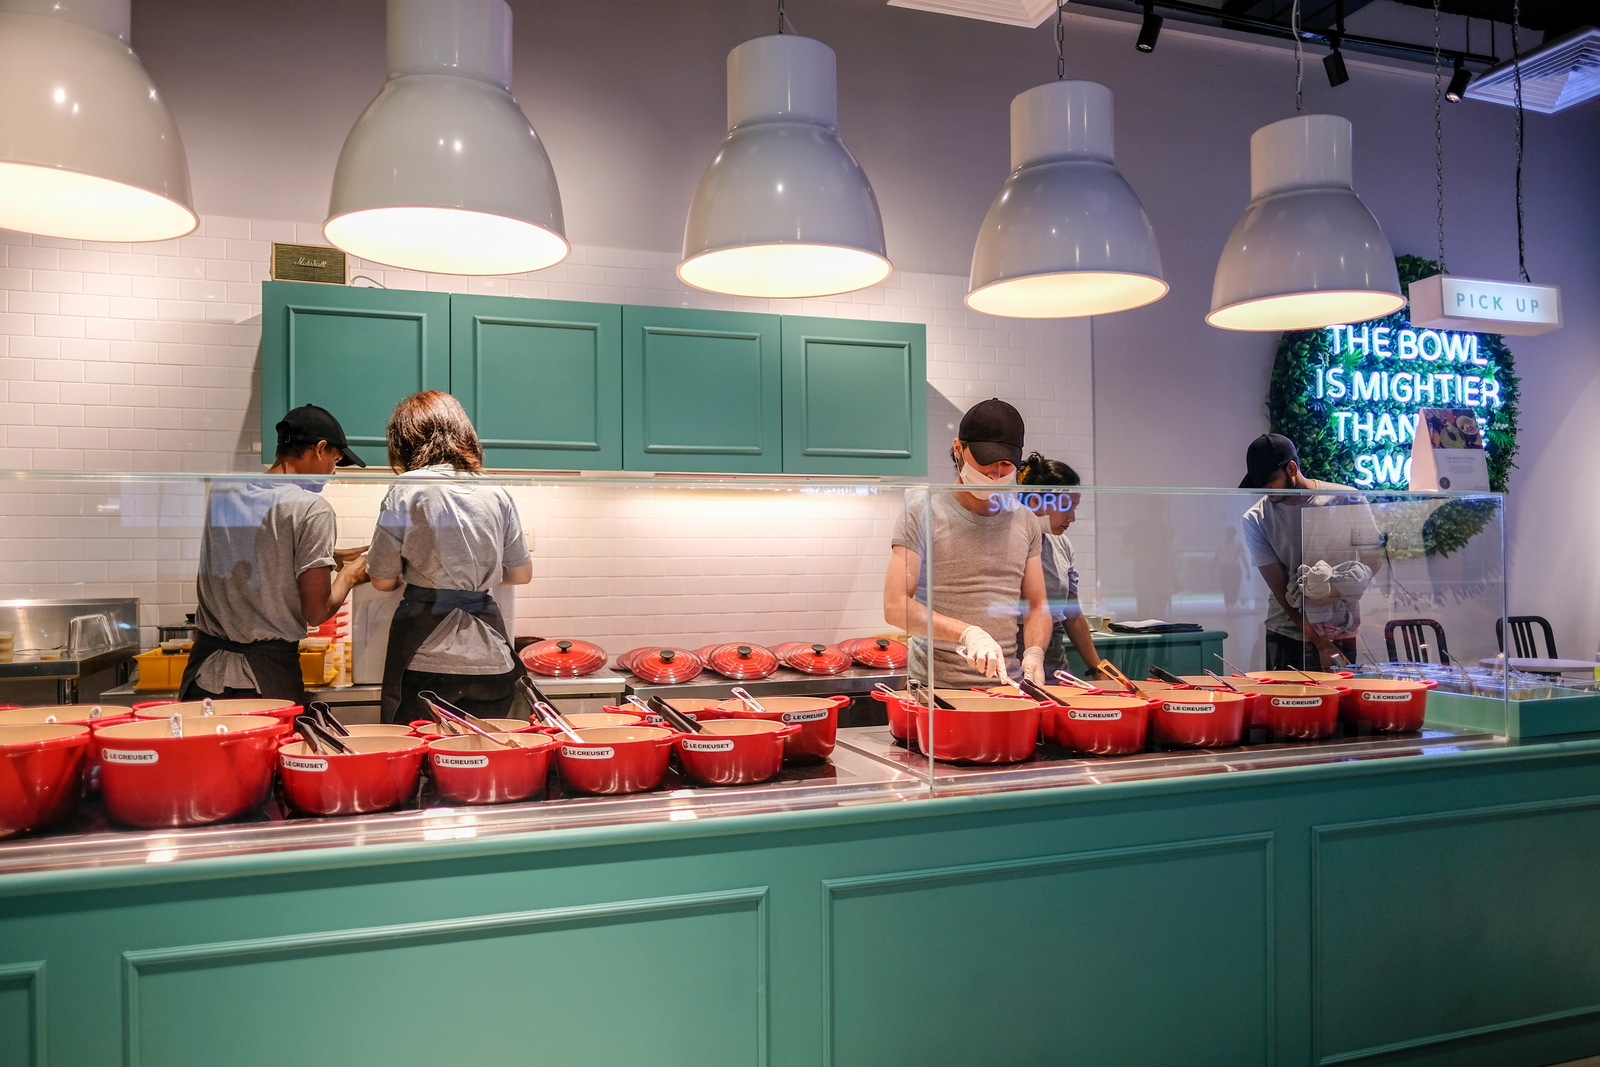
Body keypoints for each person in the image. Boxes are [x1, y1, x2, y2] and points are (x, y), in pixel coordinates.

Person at [179, 405, 369, 704]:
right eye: (335, 460)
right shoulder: (312, 508)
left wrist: (326, 557)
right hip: (265, 679)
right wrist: (349, 575)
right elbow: (316, 611)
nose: (333, 473)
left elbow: (251, 552)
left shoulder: (225, 490)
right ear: (320, 449)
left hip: (202, 676)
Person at [368, 391, 532, 724]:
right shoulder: (496, 492)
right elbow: (522, 574)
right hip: (493, 664)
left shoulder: (407, 487)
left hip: (428, 665)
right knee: (486, 754)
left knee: (426, 754)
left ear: (405, 440)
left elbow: (381, 580)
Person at [884, 398, 1051, 688]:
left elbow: (1037, 605)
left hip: (1006, 687)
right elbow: (895, 605)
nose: (995, 473)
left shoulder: (1025, 520)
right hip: (936, 691)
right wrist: (967, 632)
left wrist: (1035, 652)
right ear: (959, 449)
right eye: (985, 461)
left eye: (1005, 464)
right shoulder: (922, 513)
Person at [1239, 433, 1383, 671]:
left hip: (1340, 629)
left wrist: (1332, 591)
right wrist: (1320, 643)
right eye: (1259, 483)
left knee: (1339, 696)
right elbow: (1280, 589)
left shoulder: (1348, 500)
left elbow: (1372, 560)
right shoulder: (1256, 518)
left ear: (1292, 468)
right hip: (1286, 633)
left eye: (1270, 480)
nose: (1265, 489)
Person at [1016, 453, 1105, 681]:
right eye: (1065, 506)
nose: (1072, 517)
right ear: (1035, 502)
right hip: (1012, 657)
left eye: (1075, 507)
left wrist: (1097, 668)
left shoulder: (1061, 544)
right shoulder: (1008, 541)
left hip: (1054, 657)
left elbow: (1072, 613)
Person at [1213, 526, 1246, 611]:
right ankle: (1229, 608)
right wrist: (1213, 570)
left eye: (1231, 533)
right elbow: (1216, 557)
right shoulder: (1221, 545)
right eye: (1228, 533)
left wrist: (1248, 571)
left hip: (1235, 569)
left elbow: (1244, 558)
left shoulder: (1239, 545)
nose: (1230, 535)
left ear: (1234, 534)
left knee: (1235, 588)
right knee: (1226, 588)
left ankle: (1232, 607)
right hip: (1225, 569)